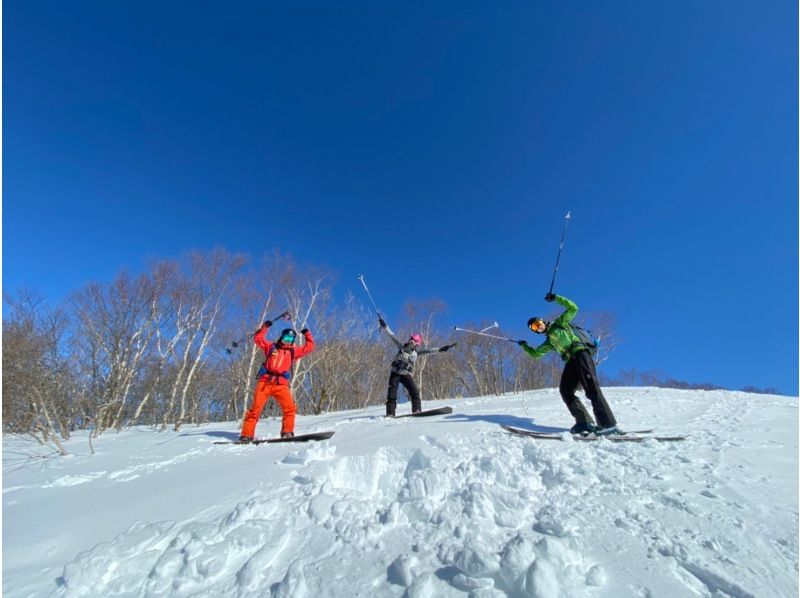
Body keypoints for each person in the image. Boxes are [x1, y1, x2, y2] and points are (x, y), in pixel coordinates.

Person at [518, 293, 619, 435]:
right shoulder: (549, 342)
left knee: (591, 388)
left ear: (542, 321)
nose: (538, 328)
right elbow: (536, 354)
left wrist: (556, 299)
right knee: (566, 390)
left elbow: (573, 308)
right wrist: (524, 346)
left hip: (581, 353)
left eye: (537, 324)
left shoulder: (560, 323)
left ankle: (608, 424)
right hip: (570, 361)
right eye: (534, 329)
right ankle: (585, 422)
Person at [239, 321, 315, 442]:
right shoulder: (271, 347)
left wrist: (307, 334)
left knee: (290, 408)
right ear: (282, 337)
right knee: (255, 409)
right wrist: (265, 327)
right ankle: (246, 435)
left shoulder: (293, 352)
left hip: (281, 385)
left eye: (291, 338)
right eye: (286, 337)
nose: (288, 339)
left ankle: (287, 432)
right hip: (265, 383)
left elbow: (309, 347)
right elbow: (258, 339)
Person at [378, 317, 455, 417]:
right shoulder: (402, 346)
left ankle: (417, 410)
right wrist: (385, 326)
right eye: (412, 340)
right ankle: (390, 413)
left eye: (415, 341)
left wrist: (441, 349)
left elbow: (429, 351)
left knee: (415, 392)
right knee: (392, 395)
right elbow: (392, 336)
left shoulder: (417, 353)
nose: (412, 342)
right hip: (395, 373)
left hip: (406, 375)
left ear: (417, 344)